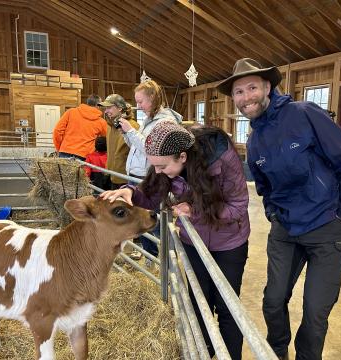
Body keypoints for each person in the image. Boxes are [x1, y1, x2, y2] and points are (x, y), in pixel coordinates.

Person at [217, 58, 341, 360]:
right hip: (285, 229)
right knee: (272, 301)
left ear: (268, 87)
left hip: (326, 228)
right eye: (238, 92)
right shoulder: (254, 139)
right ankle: (277, 353)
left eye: (252, 88)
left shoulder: (303, 114)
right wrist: (273, 214)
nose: (246, 98)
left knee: (314, 313)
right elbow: (264, 187)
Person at [101, 121, 250, 360]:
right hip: (194, 241)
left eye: (162, 165)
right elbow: (151, 192)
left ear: (182, 156)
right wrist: (131, 192)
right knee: (198, 301)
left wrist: (196, 211)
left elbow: (238, 206)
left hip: (229, 243)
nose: (158, 171)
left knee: (227, 307)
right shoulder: (167, 165)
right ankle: (202, 353)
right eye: (154, 166)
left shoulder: (223, 159)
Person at [116, 80, 183, 265]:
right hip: (138, 175)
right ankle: (150, 256)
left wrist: (131, 131)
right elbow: (138, 147)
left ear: (153, 98)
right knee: (143, 220)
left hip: (150, 177)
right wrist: (126, 133)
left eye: (141, 102)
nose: (138, 106)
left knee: (153, 221)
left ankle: (166, 258)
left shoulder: (164, 122)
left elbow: (152, 151)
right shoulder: (149, 120)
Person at [99, 94, 139, 189]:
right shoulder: (110, 126)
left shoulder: (133, 126)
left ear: (120, 108)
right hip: (110, 174)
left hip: (125, 178)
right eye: (106, 108)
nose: (106, 111)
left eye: (109, 107)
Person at [53, 94, 107, 160]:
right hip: (85, 156)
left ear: (87, 103)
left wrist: (59, 148)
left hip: (65, 152)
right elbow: (106, 139)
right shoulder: (101, 122)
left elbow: (57, 130)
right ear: (98, 106)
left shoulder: (70, 112)